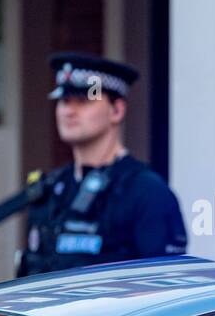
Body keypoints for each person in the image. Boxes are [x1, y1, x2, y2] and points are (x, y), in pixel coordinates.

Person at [16, 53, 187, 276]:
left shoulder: (147, 192)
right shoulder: (52, 188)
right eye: (64, 101)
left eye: (84, 101)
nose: (69, 111)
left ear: (117, 110)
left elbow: (168, 287)